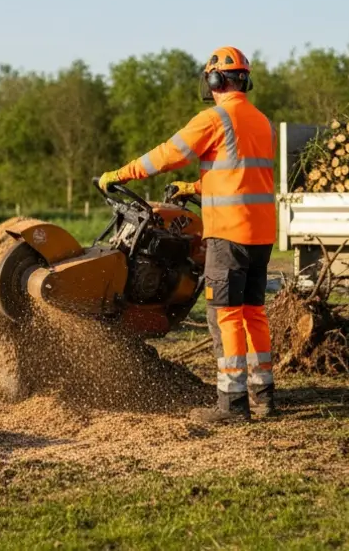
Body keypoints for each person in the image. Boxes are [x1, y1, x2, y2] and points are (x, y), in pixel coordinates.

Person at [98, 46, 277, 424]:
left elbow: (168, 154)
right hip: (261, 234)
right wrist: (194, 187)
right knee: (253, 313)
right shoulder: (261, 121)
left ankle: (232, 404)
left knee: (225, 315)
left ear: (215, 79)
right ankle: (264, 396)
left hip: (229, 234)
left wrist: (121, 174)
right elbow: (241, 176)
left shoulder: (215, 118)